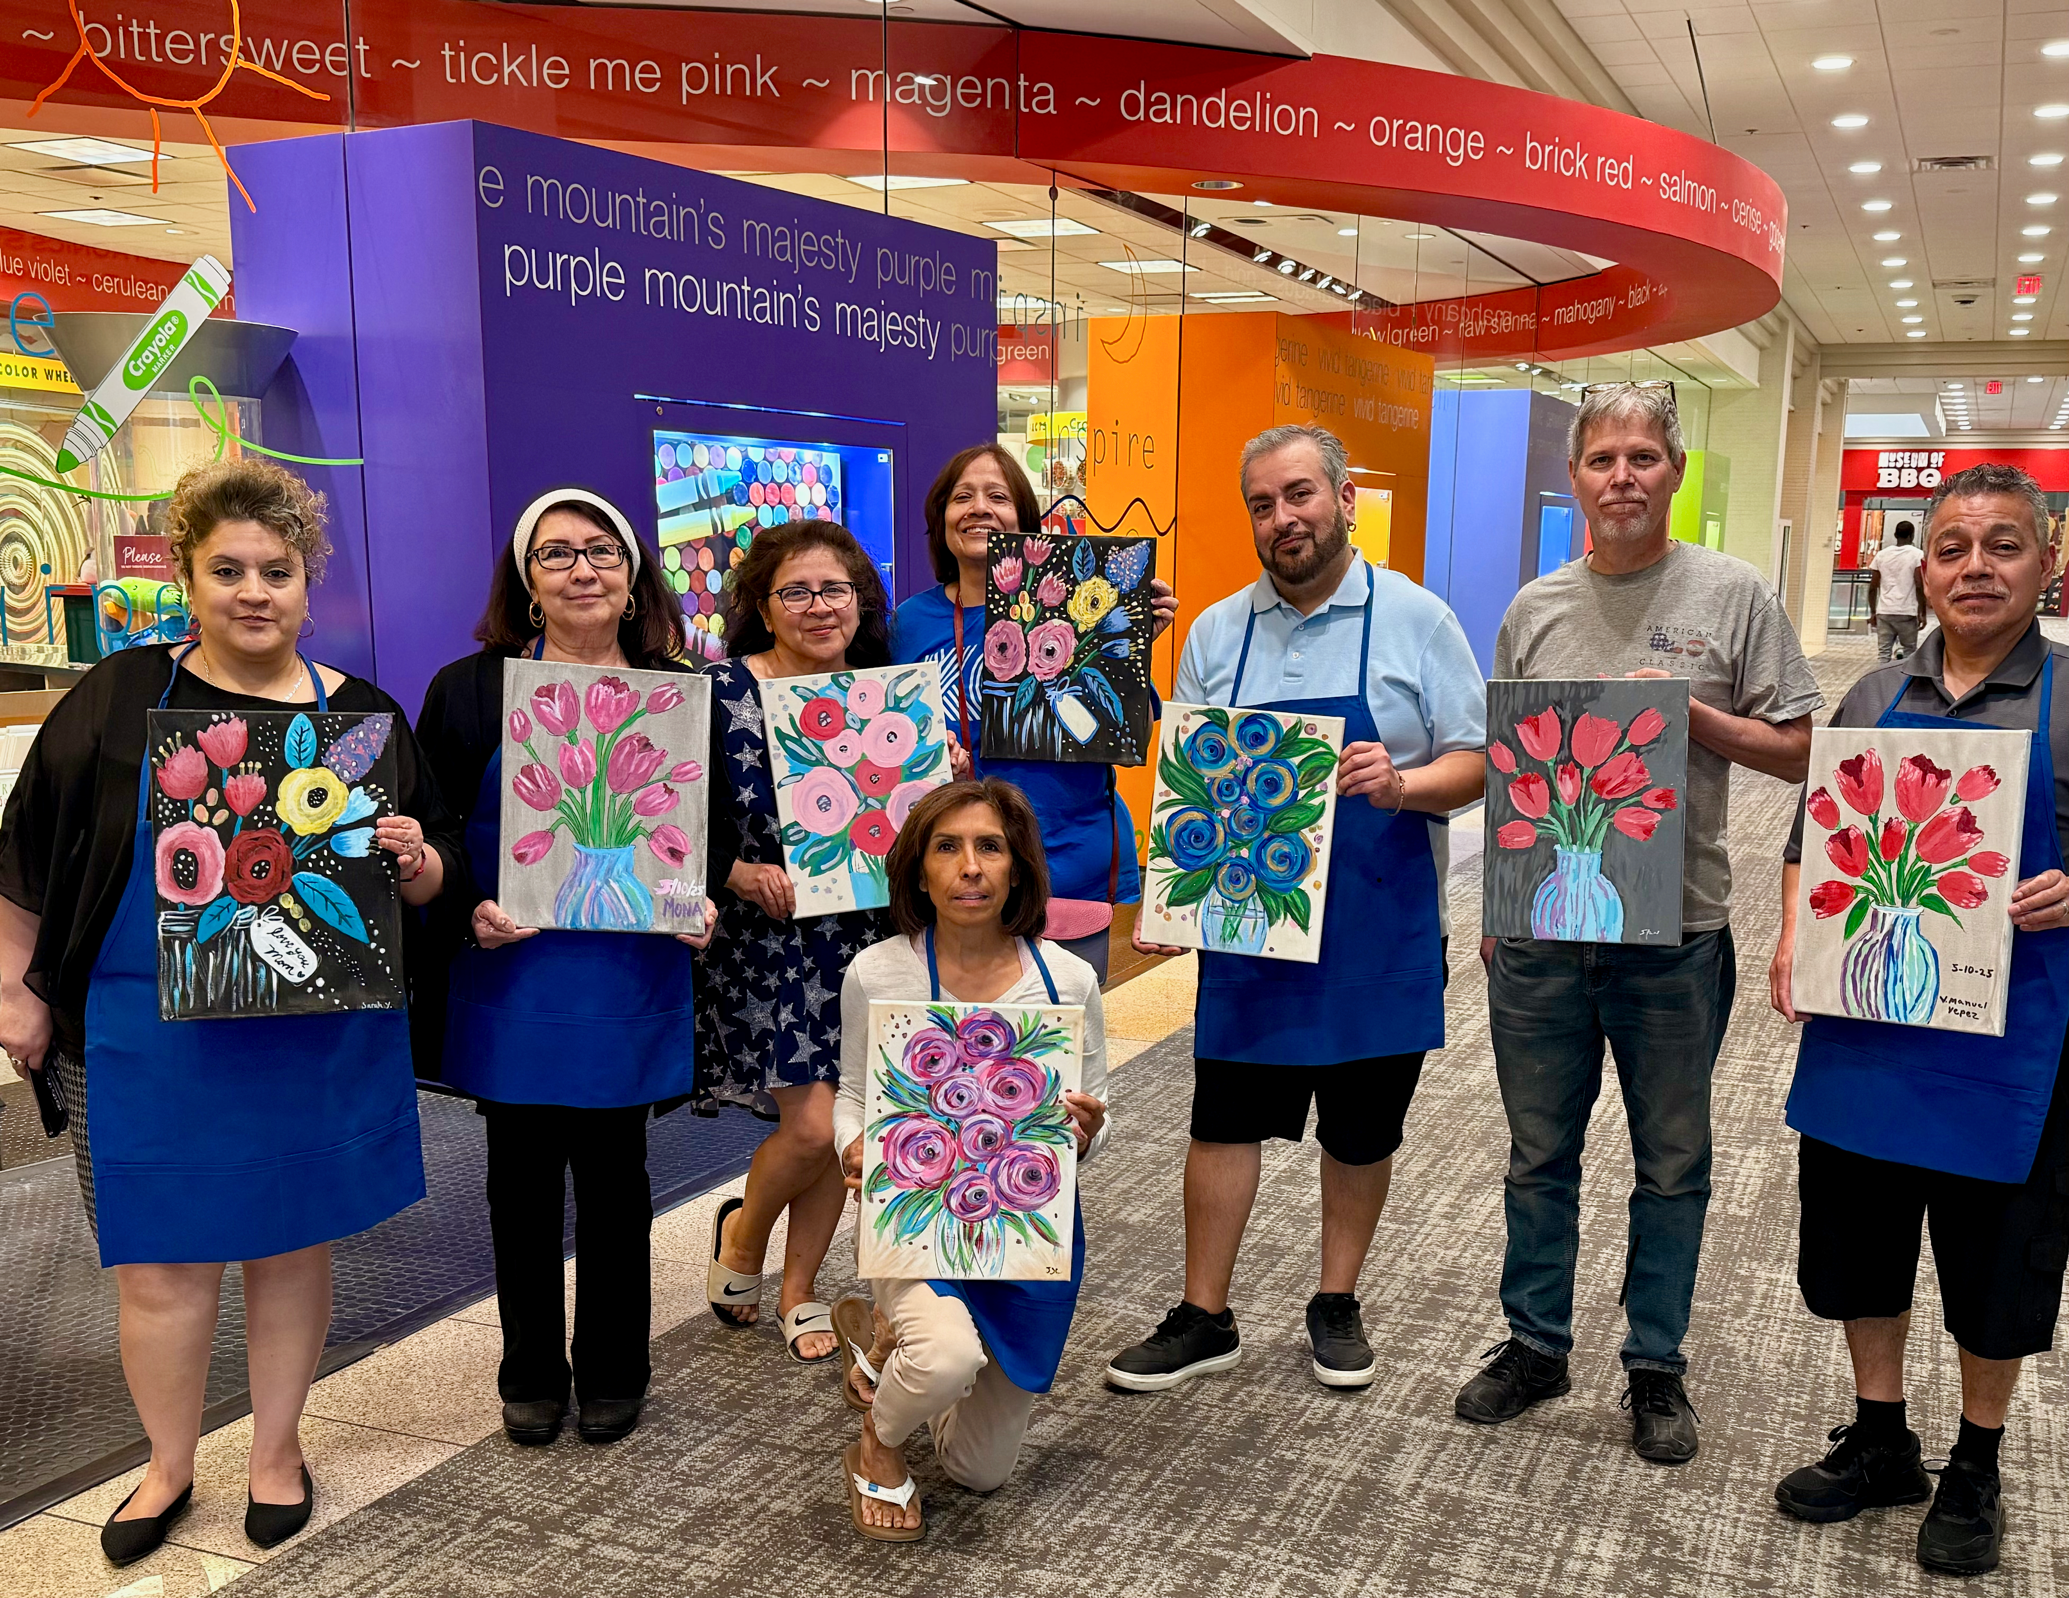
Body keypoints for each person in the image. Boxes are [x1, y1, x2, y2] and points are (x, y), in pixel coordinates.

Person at [0, 459, 455, 1565]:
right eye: (229, 570)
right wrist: (16, 988)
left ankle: (276, 1450)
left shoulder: (364, 717)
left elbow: (430, 877)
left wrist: (415, 858)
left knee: (290, 1246)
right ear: (189, 578)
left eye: (278, 570)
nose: (256, 590)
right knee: (160, 1262)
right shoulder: (116, 696)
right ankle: (165, 1463)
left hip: (310, 1027)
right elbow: (24, 857)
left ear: (310, 581)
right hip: (142, 1031)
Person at [1455, 380, 1822, 1464]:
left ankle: (1654, 1365)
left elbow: (1803, 748)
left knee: (1671, 1160)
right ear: (1573, 478)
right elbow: (1507, 767)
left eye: (1642, 458)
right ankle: (1535, 1341)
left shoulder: (1731, 593)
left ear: (1672, 472)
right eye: (1601, 459)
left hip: (1676, 932)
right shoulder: (1535, 605)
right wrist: (1492, 906)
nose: (1621, 476)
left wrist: (1687, 712)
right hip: (1538, 931)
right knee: (1536, 1151)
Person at [1105, 422, 1486, 1393]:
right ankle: (1204, 1310)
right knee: (1220, 1120)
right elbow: (1189, 777)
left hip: (1377, 924)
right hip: (1249, 930)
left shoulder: (1416, 619)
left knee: (1359, 1129)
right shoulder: (1216, 632)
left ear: (1343, 498)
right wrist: (1165, 895)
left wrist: (1400, 781)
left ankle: (1334, 1298)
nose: (1283, 518)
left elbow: (1480, 761)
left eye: (1299, 495)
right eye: (1262, 504)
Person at [1768, 463, 2069, 1576]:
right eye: (1951, 546)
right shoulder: (1866, 696)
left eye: (2000, 544)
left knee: (1994, 1268)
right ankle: (1880, 1435)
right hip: (1868, 1034)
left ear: (2046, 561)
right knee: (1860, 1249)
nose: (1973, 566)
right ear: (1921, 565)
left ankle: (1976, 1459)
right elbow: (1811, 836)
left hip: (2013, 1047)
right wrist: (1791, 932)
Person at [414, 488, 728, 1448]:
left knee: (616, 1172)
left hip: (628, 970)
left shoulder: (681, 691)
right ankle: (531, 1372)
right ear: (527, 580)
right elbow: (433, 824)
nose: (580, 569)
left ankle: (615, 1371)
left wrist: (703, 899)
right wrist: (468, 904)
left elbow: (703, 827)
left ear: (633, 576)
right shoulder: (470, 689)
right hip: (515, 966)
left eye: (600, 551)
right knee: (515, 1175)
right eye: (556, 554)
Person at [699, 520, 965, 1361]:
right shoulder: (717, 690)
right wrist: (734, 873)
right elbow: (669, 820)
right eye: (797, 592)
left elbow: (914, 827)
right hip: (766, 939)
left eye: (836, 591)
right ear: (762, 606)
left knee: (849, 1121)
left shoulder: (890, 693)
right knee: (810, 1128)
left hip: (867, 934)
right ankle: (743, 1235)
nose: (819, 607)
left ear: (860, 602)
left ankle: (799, 1288)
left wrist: (940, 780)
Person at [831, 778, 1108, 1540]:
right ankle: (876, 1445)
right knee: (947, 1360)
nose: (970, 867)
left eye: (990, 847)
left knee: (976, 1472)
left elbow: (1096, 1115)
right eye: (946, 848)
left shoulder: (1068, 980)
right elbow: (853, 1093)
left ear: (1018, 866)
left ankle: (892, 1346)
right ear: (918, 870)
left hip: (1022, 1237)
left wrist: (1085, 1132)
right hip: (916, 1224)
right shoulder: (878, 971)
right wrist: (852, 1145)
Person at [889, 444, 1177, 980]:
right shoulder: (908, 623)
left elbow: (1115, 726)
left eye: (997, 496)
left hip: (1063, 861)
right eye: (961, 497)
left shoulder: (1074, 603)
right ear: (940, 518)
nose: (978, 507)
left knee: (1061, 1047)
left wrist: (1130, 646)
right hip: (957, 872)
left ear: (1024, 519)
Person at [1869, 521, 1926, 662]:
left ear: (1895, 535)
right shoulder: (1917, 555)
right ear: (1912, 536)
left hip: (1884, 611)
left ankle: (1882, 682)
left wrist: (1872, 612)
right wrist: (1922, 612)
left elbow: (1872, 587)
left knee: (1884, 653)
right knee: (1909, 652)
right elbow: (1919, 585)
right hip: (1906, 611)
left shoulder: (1881, 555)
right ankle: (1906, 682)